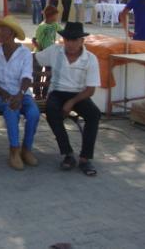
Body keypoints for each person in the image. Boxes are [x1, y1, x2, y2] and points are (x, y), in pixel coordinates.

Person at [34, 22, 101, 176]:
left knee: (94, 115)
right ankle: (68, 154)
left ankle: (85, 158)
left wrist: (71, 102)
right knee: (52, 111)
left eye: (74, 40)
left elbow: (90, 90)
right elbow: (36, 58)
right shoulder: (55, 51)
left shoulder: (90, 59)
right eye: (67, 39)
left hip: (79, 95)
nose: (70, 43)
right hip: (57, 92)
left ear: (82, 41)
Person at [0, 16, 40, 170]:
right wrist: (6, 95)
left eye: (1, 30)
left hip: (22, 94)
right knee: (12, 110)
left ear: (11, 33)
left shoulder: (24, 53)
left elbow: (26, 77)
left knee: (33, 113)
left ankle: (27, 149)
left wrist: (19, 94)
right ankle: (14, 151)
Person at [32, 5, 61, 98]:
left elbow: (62, 31)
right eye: (56, 15)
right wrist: (41, 50)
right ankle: (37, 94)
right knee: (38, 75)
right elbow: (34, 40)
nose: (57, 17)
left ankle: (45, 93)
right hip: (40, 54)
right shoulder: (42, 26)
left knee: (49, 74)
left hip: (51, 55)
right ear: (50, 15)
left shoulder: (55, 25)